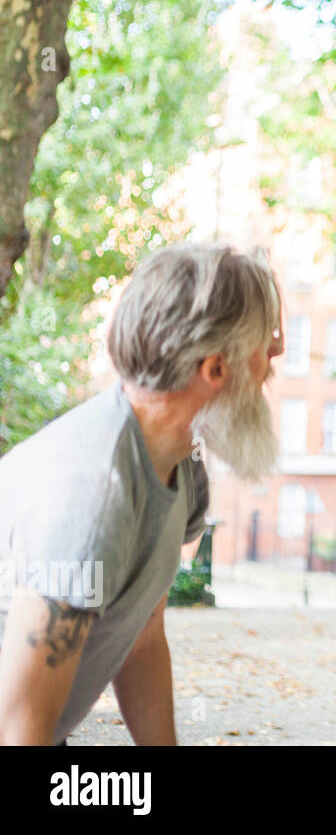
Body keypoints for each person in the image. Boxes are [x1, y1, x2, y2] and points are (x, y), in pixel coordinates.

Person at [0, 243, 285, 745]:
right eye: (268, 337)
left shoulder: (182, 463)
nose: (277, 353)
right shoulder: (91, 496)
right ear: (215, 368)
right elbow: (19, 730)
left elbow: (141, 639)